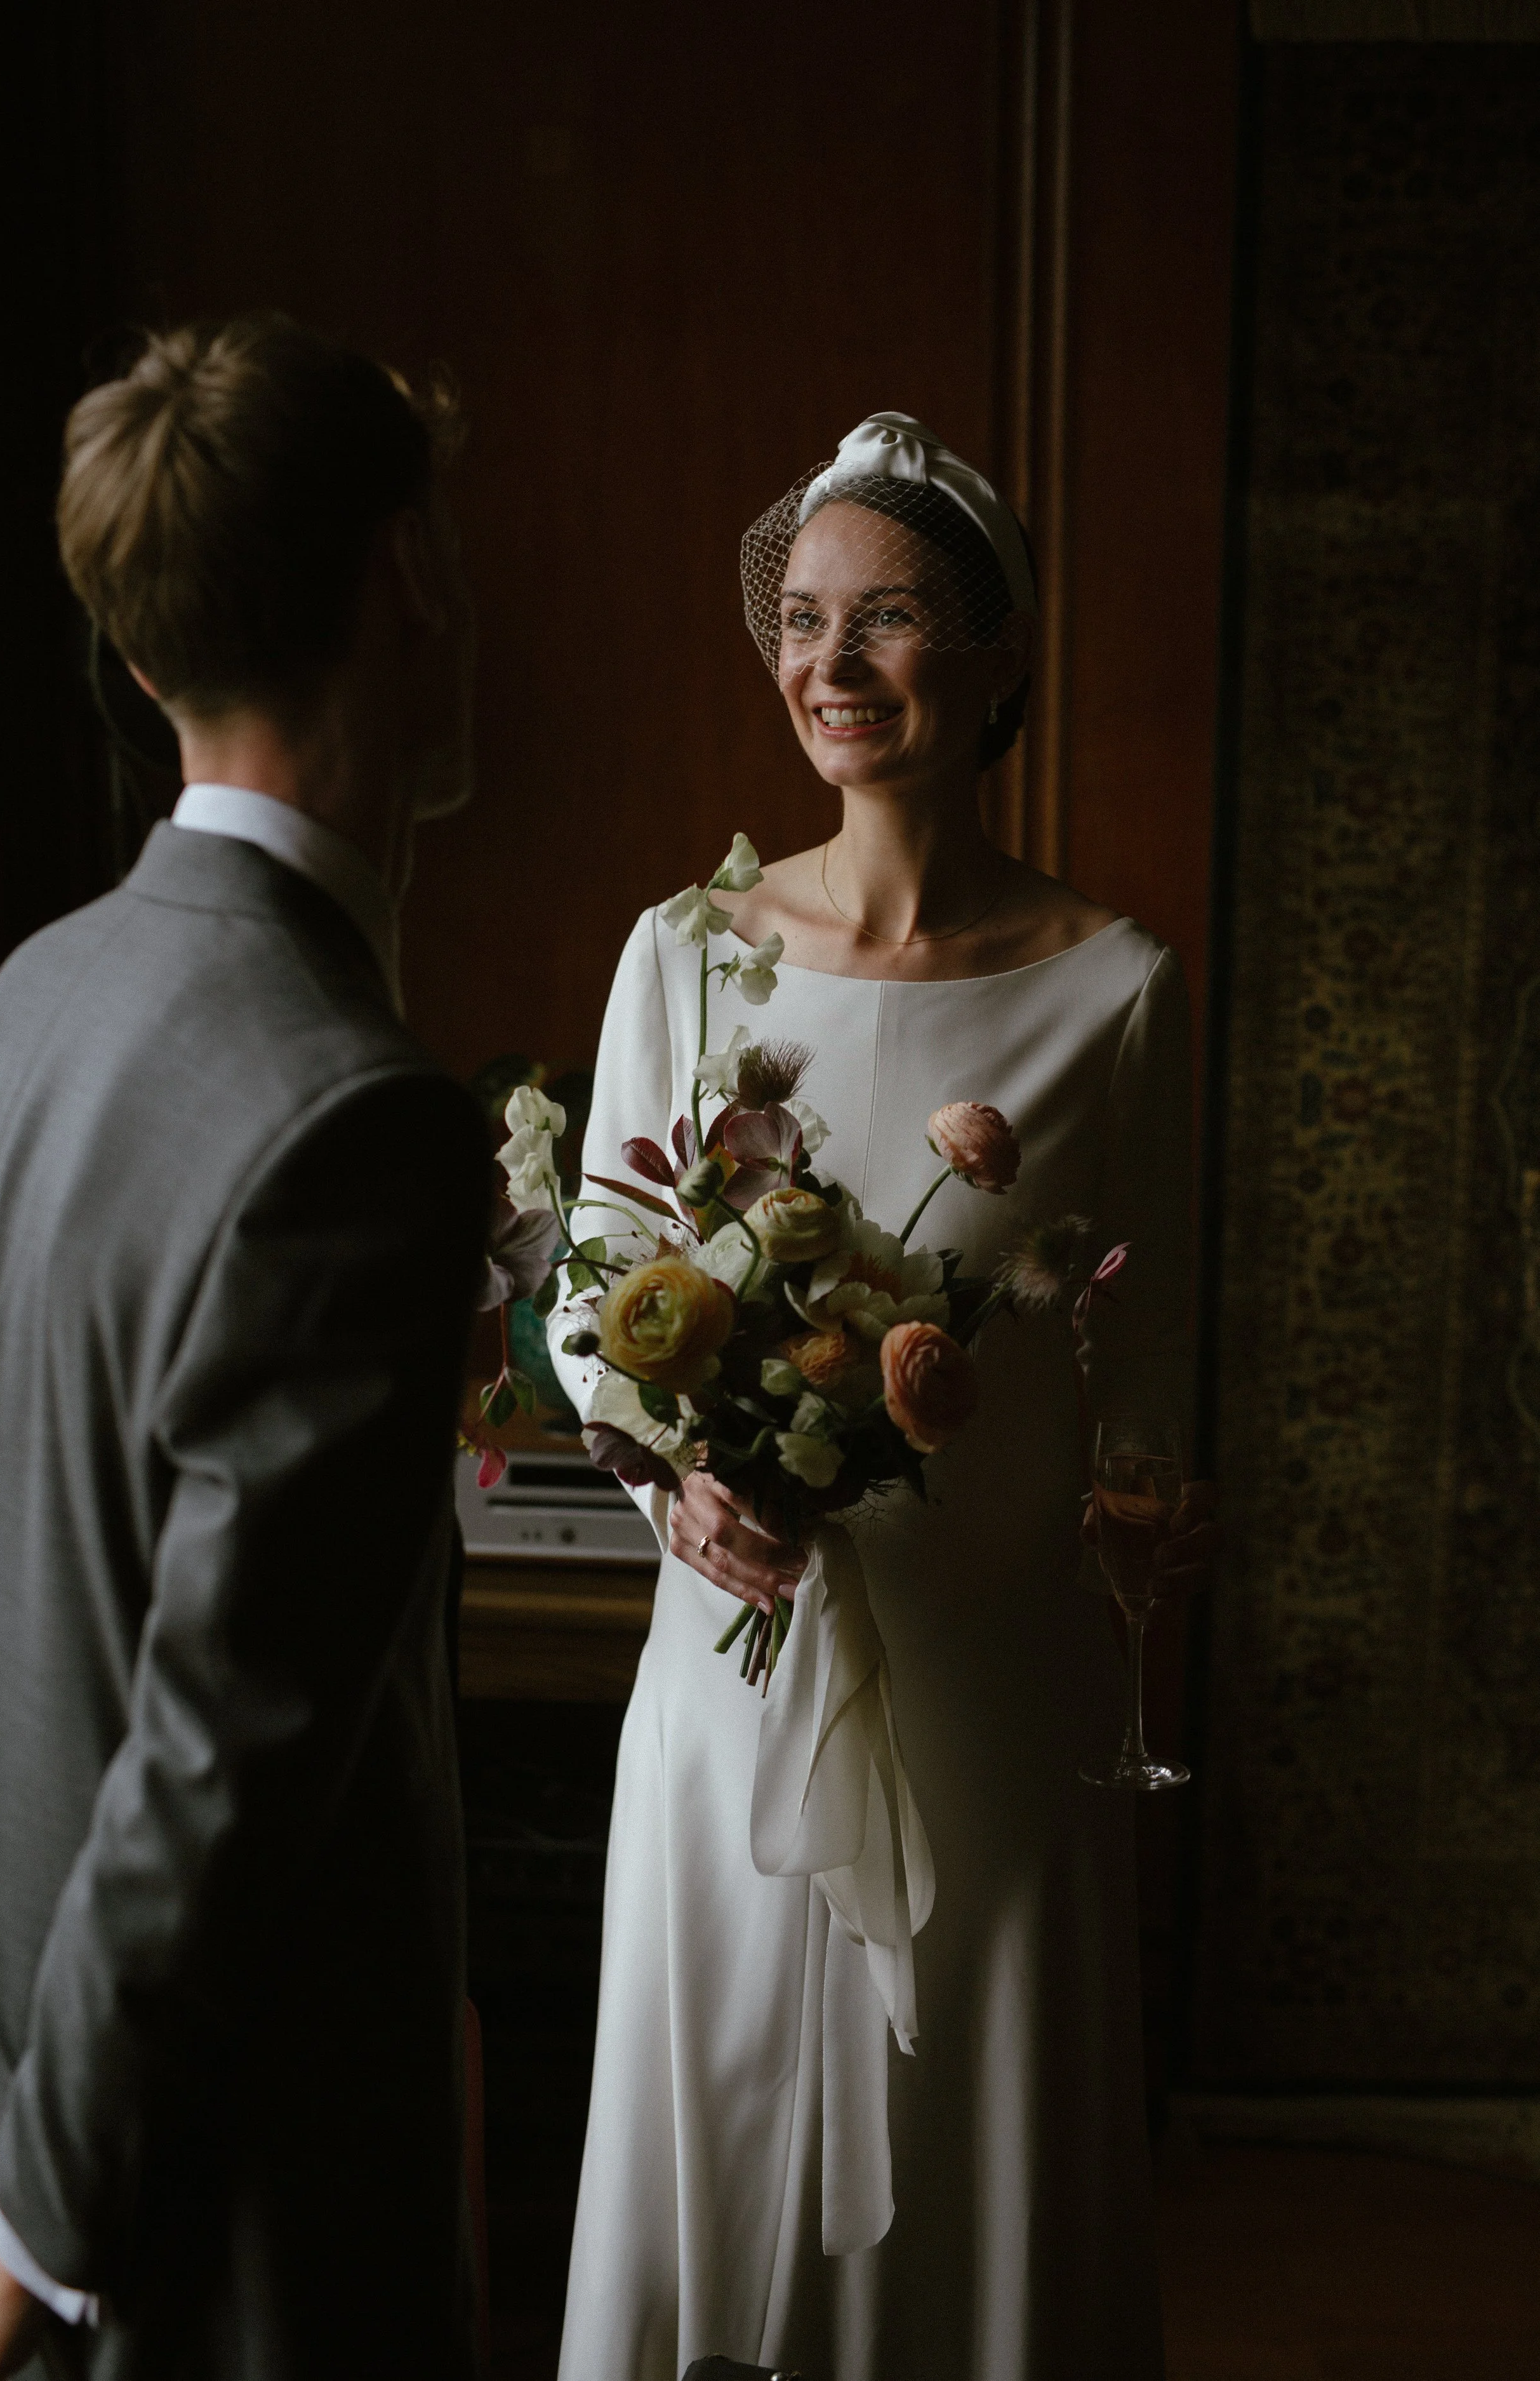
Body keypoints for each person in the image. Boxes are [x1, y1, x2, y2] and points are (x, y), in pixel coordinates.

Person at [552, 414, 1217, 2378]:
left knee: (970, 2184)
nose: (829, 664)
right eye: (803, 620)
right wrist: (672, 1487)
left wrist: (1141, 1524)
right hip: (726, 1680)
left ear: (999, 657)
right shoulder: (683, 953)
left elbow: (1150, 1362)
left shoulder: (1119, 989)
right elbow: (596, 1312)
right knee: (721, 2137)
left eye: (892, 618)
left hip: (990, 1704)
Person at [0, 317, 489, 2380]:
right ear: (406, 580)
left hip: (40, 2071)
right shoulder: (356, 1111)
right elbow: (220, 1756)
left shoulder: (33, 993)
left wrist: (21, 2135)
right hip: (225, 2194)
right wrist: (53, 2191)